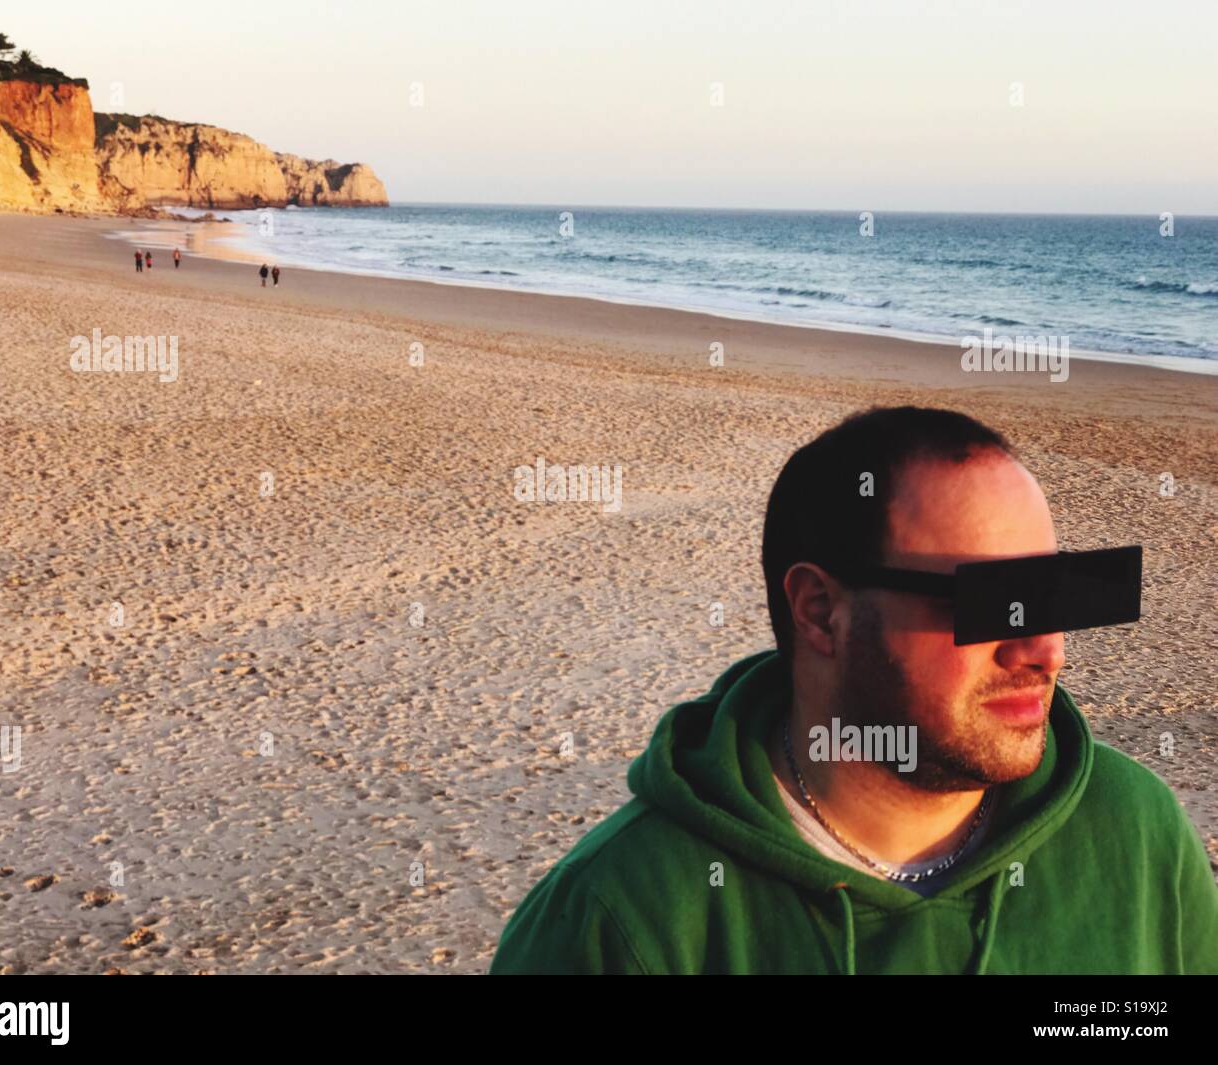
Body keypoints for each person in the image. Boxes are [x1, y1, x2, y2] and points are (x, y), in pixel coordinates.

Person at [490, 406, 1218, 974]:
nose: (1043, 648)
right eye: (992, 600)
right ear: (819, 611)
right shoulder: (622, 917)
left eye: (1054, 593)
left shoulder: (1138, 836)